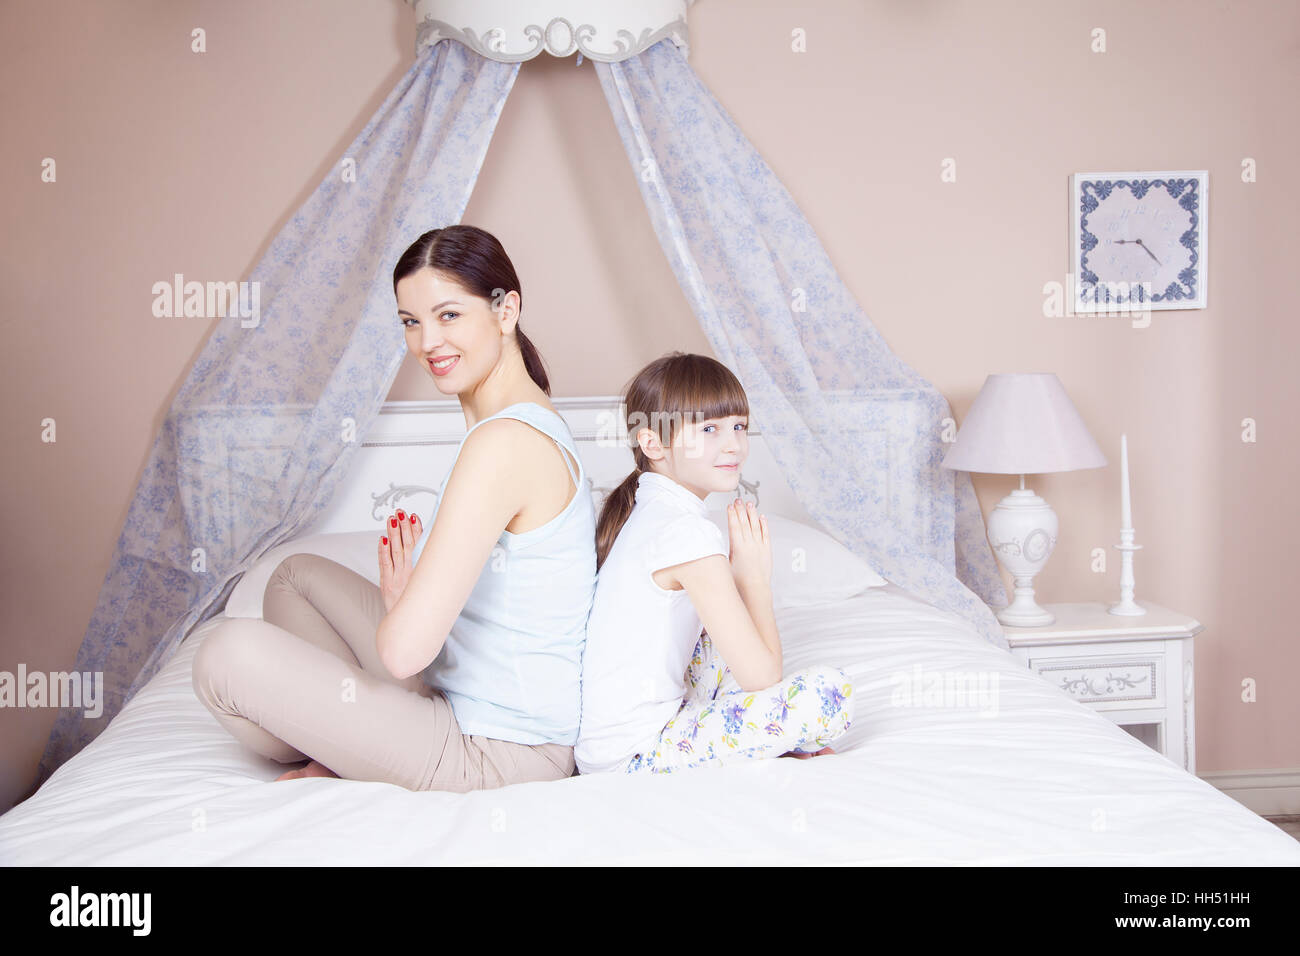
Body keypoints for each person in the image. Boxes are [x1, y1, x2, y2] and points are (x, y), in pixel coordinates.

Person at [192, 224, 596, 792]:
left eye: (449, 315)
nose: (428, 341)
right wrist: (406, 613)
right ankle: (353, 736)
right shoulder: (517, 421)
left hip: (498, 753)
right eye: (411, 321)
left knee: (225, 655)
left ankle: (342, 743)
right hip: (455, 696)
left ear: (506, 311)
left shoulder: (503, 443)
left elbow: (404, 651)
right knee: (293, 577)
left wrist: (401, 609)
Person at [575, 352, 853, 775]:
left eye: (739, 426)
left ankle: (755, 741)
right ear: (653, 443)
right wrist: (754, 578)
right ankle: (762, 740)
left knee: (721, 632)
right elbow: (763, 679)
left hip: (610, 746)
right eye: (709, 429)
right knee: (830, 693)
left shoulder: (653, 513)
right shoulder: (685, 533)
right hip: (633, 756)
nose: (733, 445)